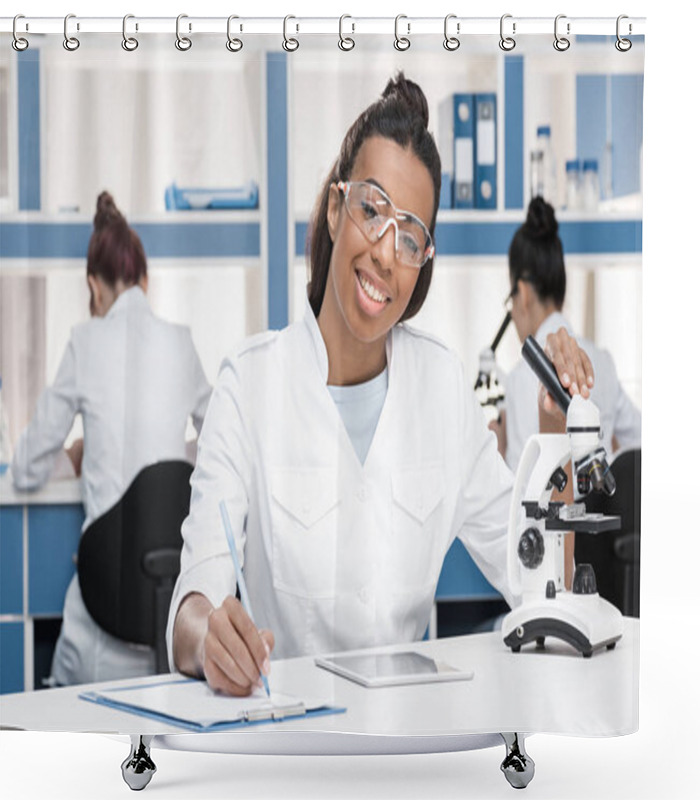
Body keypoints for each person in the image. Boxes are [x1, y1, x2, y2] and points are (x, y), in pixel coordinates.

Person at [168, 74, 594, 698]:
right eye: (372, 209)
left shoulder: (441, 387)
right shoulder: (250, 384)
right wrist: (210, 638)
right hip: (285, 746)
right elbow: (190, 607)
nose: (386, 252)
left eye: (411, 234)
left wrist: (556, 440)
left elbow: (537, 581)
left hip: (406, 746)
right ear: (337, 209)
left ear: (423, 261)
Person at [12, 191, 212, 686]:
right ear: (145, 280)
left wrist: (79, 454)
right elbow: (220, 446)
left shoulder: (84, 341)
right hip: (165, 623)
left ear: (93, 288)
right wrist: (172, 454)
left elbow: (26, 467)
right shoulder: (180, 341)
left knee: (60, 719)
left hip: (96, 632)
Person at [492, 196, 642, 474]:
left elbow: (519, 490)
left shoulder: (519, 379)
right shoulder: (603, 363)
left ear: (522, 293)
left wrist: (497, 450)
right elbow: (638, 442)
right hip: (603, 514)